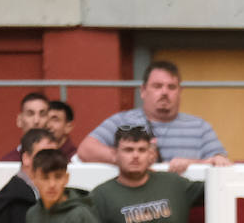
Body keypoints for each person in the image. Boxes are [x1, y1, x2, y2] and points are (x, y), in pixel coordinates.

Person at [76, 60, 231, 173]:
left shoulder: (200, 127)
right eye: (157, 86)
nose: (164, 92)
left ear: (180, 92)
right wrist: (127, 158)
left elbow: (220, 162)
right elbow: (86, 149)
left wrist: (189, 164)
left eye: (171, 87)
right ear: (143, 91)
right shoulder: (122, 121)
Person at [0, 92, 50, 161]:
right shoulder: (8, 162)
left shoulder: (63, 161)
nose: (36, 121)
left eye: (42, 114)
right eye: (30, 114)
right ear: (19, 120)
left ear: (49, 120)